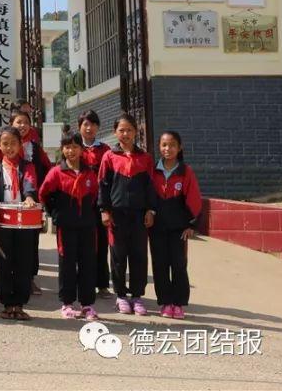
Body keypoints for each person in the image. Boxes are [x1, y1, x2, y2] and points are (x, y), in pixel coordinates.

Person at [0, 125, 39, 321]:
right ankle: (7, 304)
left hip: (23, 222)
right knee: (4, 263)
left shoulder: (27, 165)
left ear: (20, 144)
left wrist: (29, 197)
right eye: (5, 144)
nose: (10, 147)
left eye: (13, 143)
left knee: (23, 263)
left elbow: (30, 183)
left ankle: (19, 304)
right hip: (3, 223)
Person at [98, 112, 156, 316]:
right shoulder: (109, 157)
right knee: (118, 256)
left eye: (129, 130)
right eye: (121, 130)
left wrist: (150, 209)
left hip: (139, 215)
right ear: (115, 132)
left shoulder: (145, 158)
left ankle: (137, 296)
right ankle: (121, 296)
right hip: (117, 215)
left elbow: (150, 187)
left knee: (139, 256)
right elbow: (103, 186)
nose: (125, 134)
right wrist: (104, 210)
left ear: (135, 132)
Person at [39, 131, 99, 320]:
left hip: (88, 226)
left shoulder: (90, 173)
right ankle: (67, 303)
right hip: (66, 226)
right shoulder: (56, 172)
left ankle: (87, 304)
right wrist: (55, 214)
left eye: (74, 146)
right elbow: (44, 194)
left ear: (81, 149)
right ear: (62, 150)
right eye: (67, 147)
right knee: (67, 264)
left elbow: (96, 196)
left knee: (88, 263)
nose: (71, 150)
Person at [149, 130, 202, 320]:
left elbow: (195, 199)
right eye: (164, 145)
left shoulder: (185, 171)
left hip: (179, 230)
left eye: (172, 145)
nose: (167, 148)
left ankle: (178, 304)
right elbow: (148, 197)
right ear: (159, 147)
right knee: (160, 265)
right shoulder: (153, 171)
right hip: (157, 228)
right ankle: (165, 302)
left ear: (179, 148)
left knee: (179, 265)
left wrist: (191, 224)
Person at [12, 109, 52, 295]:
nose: (22, 125)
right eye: (18, 122)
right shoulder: (5, 144)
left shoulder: (35, 148)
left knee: (30, 240)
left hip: (31, 200)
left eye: (25, 122)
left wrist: (41, 197)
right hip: (9, 199)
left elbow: (48, 170)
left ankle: (30, 278)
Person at [78, 110, 112, 298]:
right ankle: (83, 282)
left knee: (101, 242)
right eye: (85, 124)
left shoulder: (105, 149)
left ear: (98, 127)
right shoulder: (74, 147)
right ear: (79, 127)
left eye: (93, 124)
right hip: (80, 202)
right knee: (83, 245)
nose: (89, 128)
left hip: (100, 202)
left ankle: (102, 284)